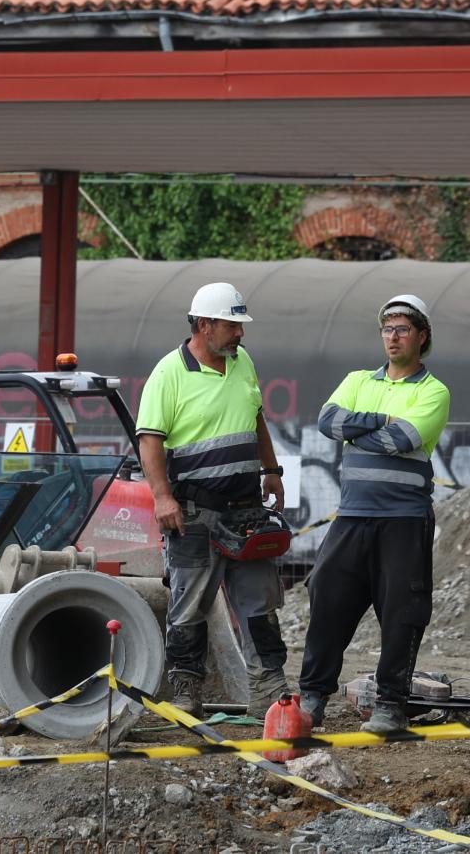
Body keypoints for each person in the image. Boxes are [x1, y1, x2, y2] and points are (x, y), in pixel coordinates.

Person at [296, 293, 450, 734]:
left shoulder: (433, 391)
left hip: (404, 521)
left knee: (403, 610)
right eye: (387, 328)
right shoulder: (357, 379)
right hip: (353, 515)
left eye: (403, 329)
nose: (393, 336)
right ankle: (312, 696)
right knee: (326, 594)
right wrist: (383, 423)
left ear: (422, 337)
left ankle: (390, 704)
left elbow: (399, 441)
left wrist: (361, 427)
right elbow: (328, 421)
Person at [136, 281, 290, 716]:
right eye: (232, 325)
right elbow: (150, 440)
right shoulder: (168, 373)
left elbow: (256, 418)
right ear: (204, 325)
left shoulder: (242, 364)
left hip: (246, 510)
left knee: (260, 604)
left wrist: (272, 470)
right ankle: (186, 692)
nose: (240, 334)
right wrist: (163, 499)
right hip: (194, 513)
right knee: (188, 605)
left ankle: (270, 692)